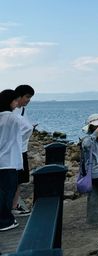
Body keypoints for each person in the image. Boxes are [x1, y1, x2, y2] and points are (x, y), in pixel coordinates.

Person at [0, 89, 31, 232]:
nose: (17, 103)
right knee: (8, 192)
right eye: (15, 100)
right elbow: (27, 127)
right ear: (10, 101)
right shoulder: (12, 118)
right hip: (8, 161)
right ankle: (5, 221)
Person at [12, 84, 35, 217]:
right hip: (15, 150)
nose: (28, 100)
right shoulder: (11, 111)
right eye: (27, 97)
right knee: (13, 180)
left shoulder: (22, 111)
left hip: (23, 149)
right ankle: (11, 206)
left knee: (19, 180)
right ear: (19, 96)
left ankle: (14, 205)